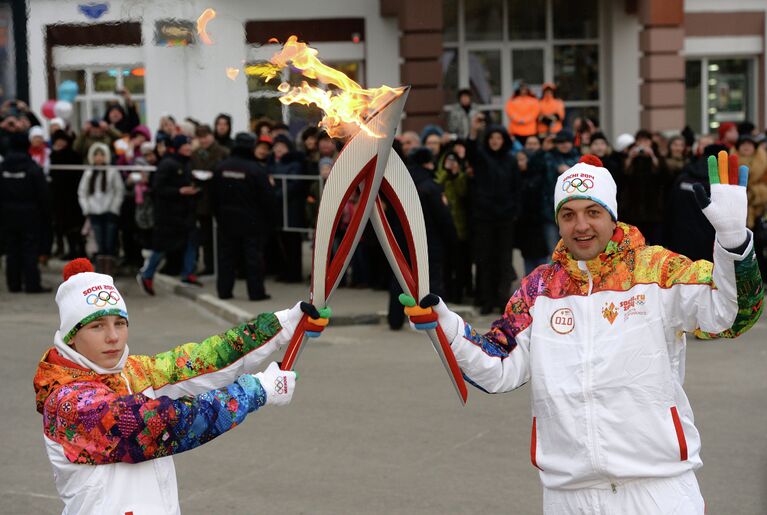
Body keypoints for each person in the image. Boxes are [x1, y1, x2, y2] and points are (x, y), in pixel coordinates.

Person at [402, 154, 763, 514]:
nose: (581, 226)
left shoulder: (656, 271)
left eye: (593, 212)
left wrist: (733, 244)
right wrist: (445, 325)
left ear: (612, 215)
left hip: (657, 489)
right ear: (557, 221)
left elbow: (731, 315)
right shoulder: (539, 289)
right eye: (568, 214)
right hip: (569, 495)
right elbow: (497, 367)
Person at [34, 257, 330, 515]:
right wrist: (255, 391)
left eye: (119, 323)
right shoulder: (69, 403)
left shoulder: (131, 372)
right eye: (97, 326)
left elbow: (203, 361)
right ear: (71, 335)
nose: (113, 337)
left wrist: (282, 326)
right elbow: (163, 425)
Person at [467, 114, 521, 314]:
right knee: (485, 259)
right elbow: (470, 152)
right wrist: (473, 132)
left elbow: (517, 188)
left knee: (504, 260)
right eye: (492, 138)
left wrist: (515, 211)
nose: (495, 142)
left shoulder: (511, 160)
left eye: (499, 138)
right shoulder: (482, 157)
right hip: (484, 217)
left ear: (503, 140)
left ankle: (502, 299)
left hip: (506, 218)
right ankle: (486, 299)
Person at [212, 132, 275, 300]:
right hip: (251, 221)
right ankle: (256, 293)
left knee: (226, 258)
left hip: (226, 220)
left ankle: (224, 292)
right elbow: (268, 197)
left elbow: (213, 196)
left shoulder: (221, 167)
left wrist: (218, 215)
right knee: (253, 258)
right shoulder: (255, 170)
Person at [138, 135, 201, 295]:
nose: (188, 147)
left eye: (189, 144)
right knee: (161, 247)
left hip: (186, 212)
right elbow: (158, 188)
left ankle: (188, 273)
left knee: (191, 241)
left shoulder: (186, 162)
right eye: (185, 145)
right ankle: (147, 274)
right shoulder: (167, 163)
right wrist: (180, 191)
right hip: (168, 214)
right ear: (178, 146)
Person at [0, 132, 51, 292]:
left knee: (12, 249)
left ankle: (13, 284)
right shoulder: (32, 168)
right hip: (30, 214)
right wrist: (46, 214)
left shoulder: (3, 167)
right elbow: (43, 194)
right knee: (29, 249)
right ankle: (32, 284)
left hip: (7, 213)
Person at [77, 142, 125, 276]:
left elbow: (118, 191)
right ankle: (100, 271)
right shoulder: (88, 173)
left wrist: (114, 208)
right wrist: (87, 208)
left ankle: (109, 270)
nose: (99, 158)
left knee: (109, 242)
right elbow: (82, 192)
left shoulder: (111, 171)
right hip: (94, 212)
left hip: (109, 212)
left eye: (102, 155)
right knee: (99, 242)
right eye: (96, 155)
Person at [191, 124, 230, 275]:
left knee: (222, 235)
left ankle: (223, 264)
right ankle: (209, 265)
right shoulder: (195, 153)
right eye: (200, 137)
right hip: (203, 198)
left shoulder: (223, 152)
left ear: (211, 136)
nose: (203, 140)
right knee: (206, 235)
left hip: (219, 197)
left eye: (205, 136)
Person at [49, 130, 84, 259]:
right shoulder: (53, 156)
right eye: (57, 141)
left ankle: (81, 250)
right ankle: (72, 250)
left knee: (76, 226)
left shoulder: (73, 155)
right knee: (64, 225)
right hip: (59, 197)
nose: (60, 143)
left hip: (73, 196)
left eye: (62, 140)